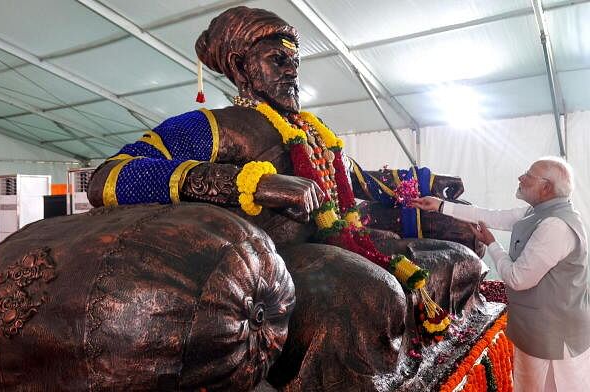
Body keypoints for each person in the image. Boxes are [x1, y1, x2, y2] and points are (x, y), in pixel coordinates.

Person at [87, 6, 491, 390]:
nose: (292, 71)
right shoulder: (212, 125)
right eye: (278, 60)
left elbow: (358, 180)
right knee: (369, 293)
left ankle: (423, 361)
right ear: (241, 67)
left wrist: (428, 182)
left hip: (337, 241)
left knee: (459, 257)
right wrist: (252, 183)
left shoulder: (313, 130)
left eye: (294, 62)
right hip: (272, 260)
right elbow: (110, 176)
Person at [412, 157, 590, 392]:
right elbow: (492, 216)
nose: (520, 177)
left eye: (528, 174)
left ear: (546, 188)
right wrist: (440, 206)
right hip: (537, 330)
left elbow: (518, 278)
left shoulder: (555, 226)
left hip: (553, 340)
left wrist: (492, 245)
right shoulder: (536, 211)